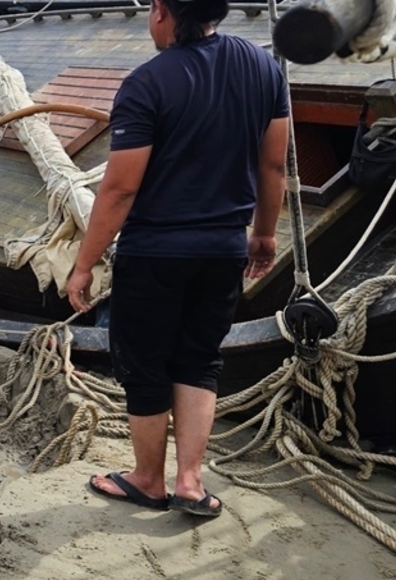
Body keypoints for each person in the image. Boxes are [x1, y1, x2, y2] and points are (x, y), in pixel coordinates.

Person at [66, 0, 288, 518]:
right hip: (223, 249)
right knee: (199, 360)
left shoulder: (147, 83)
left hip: (155, 253)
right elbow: (273, 163)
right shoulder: (262, 66)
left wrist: (83, 264)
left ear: (163, 12)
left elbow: (119, 190)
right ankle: (190, 482)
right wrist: (265, 235)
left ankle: (147, 479)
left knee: (146, 363)